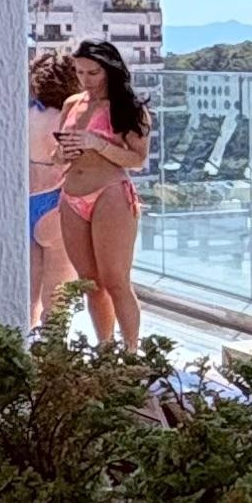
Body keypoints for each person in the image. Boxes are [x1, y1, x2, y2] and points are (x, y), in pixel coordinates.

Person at [58, 37, 151, 349]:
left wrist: (98, 144)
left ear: (109, 70)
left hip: (110, 192)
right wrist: (63, 152)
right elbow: (58, 155)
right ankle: (105, 350)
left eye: (93, 73)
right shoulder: (72, 104)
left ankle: (132, 353)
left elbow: (137, 159)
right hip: (71, 193)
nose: (86, 80)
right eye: (80, 72)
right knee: (90, 282)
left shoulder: (129, 109)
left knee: (116, 280)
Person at [27, 50, 80, 326]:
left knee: (26, 298)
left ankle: (22, 345)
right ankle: (51, 348)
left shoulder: (25, 114)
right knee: (57, 300)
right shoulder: (69, 120)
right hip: (55, 204)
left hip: (24, 201)